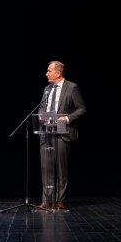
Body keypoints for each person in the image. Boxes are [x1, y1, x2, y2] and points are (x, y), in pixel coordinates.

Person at [38, 61, 86, 211]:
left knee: (61, 169)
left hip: (62, 131)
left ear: (58, 73)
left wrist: (67, 118)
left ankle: (59, 201)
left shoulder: (72, 87)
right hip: (46, 132)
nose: (46, 74)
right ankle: (46, 200)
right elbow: (41, 107)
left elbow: (81, 109)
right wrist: (41, 115)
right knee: (46, 169)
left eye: (49, 71)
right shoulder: (47, 89)